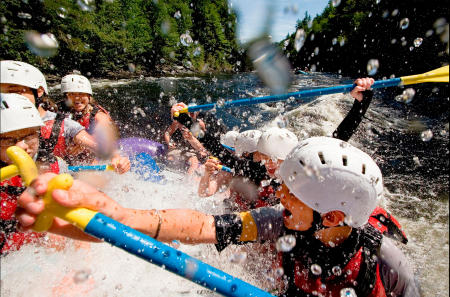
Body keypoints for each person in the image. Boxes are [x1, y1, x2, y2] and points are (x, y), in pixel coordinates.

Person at [17, 137, 420, 296]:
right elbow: (200, 226)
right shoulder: (279, 220)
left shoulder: (387, 266)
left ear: (330, 216)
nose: (277, 195)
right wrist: (114, 212)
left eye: (292, 194)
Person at [0, 60, 130, 174]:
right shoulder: (58, 109)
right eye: (72, 94)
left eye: (14, 92)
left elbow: (101, 143)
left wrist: (114, 157)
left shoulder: (93, 117)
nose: (7, 98)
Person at [0, 93, 69, 254]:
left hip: (38, 256)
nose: (22, 147)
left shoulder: (55, 164)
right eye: (8, 140)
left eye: (28, 137)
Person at [58, 74, 118, 164]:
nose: (77, 98)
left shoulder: (98, 115)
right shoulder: (57, 111)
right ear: (66, 97)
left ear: (88, 96)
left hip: (92, 156)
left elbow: (106, 134)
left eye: (81, 94)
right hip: (65, 157)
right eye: (72, 94)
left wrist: (85, 145)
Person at [164, 102, 208, 174]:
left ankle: (187, 182)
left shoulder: (200, 124)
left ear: (197, 113)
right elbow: (167, 133)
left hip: (192, 149)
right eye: (190, 113)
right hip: (179, 147)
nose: (191, 115)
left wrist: (202, 151)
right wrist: (169, 143)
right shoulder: (179, 122)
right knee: (170, 158)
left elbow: (204, 140)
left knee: (194, 163)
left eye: (193, 113)